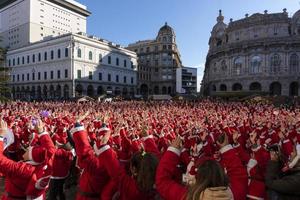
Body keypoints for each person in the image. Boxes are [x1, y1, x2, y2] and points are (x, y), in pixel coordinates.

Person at [156, 136, 233, 200]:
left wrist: (173, 150)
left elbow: (162, 181)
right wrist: (226, 149)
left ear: (198, 178)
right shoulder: (235, 194)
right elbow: (238, 174)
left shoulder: (189, 197)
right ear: (221, 175)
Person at [0, 118, 55, 200]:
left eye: (29, 149)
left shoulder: (21, 169)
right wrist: (42, 132)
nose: (26, 149)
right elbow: (51, 151)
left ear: (31, 157)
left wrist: (1, 136)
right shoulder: (43, 167)